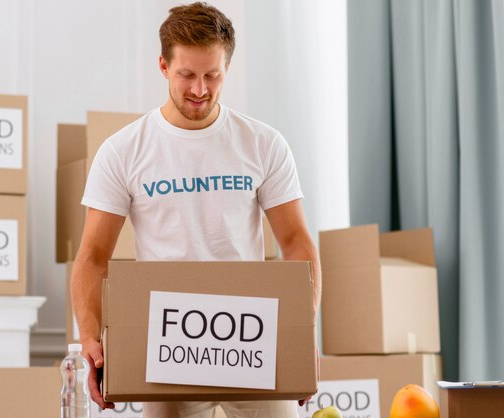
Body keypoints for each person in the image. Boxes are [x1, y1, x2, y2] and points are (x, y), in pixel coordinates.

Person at [71, 2, 321, 418]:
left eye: (213, 75)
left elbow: (297, 243)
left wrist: (302, 330)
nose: (200, 89)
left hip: (251, 340)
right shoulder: (123, 151)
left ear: (227, 68)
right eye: (187, 74)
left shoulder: (263, 143)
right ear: (164, 66)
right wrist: (90, 337)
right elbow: (93, 257)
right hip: (165, 344)